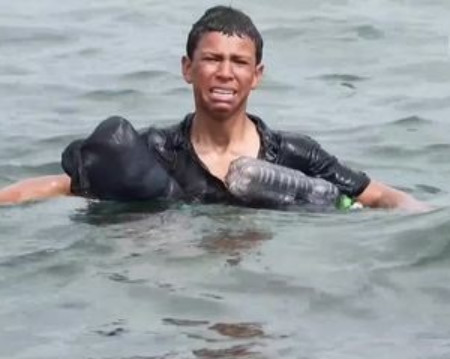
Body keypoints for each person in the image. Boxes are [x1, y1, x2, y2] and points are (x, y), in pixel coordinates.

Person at [0, 5, 429, 211]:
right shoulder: (155, 151)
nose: (225, 73)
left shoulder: (293, 154)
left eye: (239, 62)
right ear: (188, 68)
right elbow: (60, 186)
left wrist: (426, 221)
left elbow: (378, 195)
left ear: (257, 75)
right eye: (211, 59)